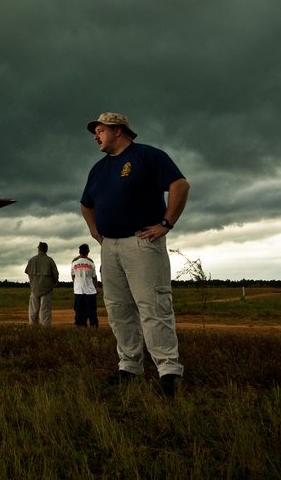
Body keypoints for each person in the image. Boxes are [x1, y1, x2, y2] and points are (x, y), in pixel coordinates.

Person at [80, 112, 190, 397]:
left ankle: (168, 372)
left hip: (142, 242)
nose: (96, 136)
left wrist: (166, 224)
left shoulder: (147, 156)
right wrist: (95, 231)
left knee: (153, 307)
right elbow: (86, 203)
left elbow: (180, 185)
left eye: (101, 130)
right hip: (111, 247)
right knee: (118, 310)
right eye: (96, 131)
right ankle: (129, 367)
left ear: (119, 131)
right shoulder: (98, 169)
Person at [25, 242, 59, 326]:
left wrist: (33, 282)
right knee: (45, 309)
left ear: (39, 249)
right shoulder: (49, 260)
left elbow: (28, 273)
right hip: (46, 289)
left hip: (34, 288)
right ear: (46, 250)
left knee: (33, 309)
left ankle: (33, 326)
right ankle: (45, 328)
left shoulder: (32, 260)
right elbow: (55, 275)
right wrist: (55, 283)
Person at [72, 243, 99, 328]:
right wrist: (96, 288)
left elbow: (73, 276)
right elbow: (94, 277)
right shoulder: (91, 263)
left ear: (79, 251)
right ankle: (93, 325)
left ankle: (80, 325)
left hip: (78, 291)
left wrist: (76, 284)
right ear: (88, 252)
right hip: (90, 291)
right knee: (91, 310)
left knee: (79, 310)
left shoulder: (74, 263)